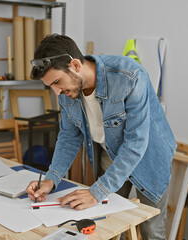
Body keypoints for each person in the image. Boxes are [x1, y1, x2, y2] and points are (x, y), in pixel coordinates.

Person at [26, 34, 176, 239]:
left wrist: (97, 192)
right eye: (50, 86)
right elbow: (68, 138)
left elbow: (135, 144)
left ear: (75, 65)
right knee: (112, 226)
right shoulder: (67, 92)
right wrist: (51, 179)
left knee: (151, 232)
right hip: (111, 155)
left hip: (150, 158)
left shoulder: (130, 76)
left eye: (57, 82)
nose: (56, 92)